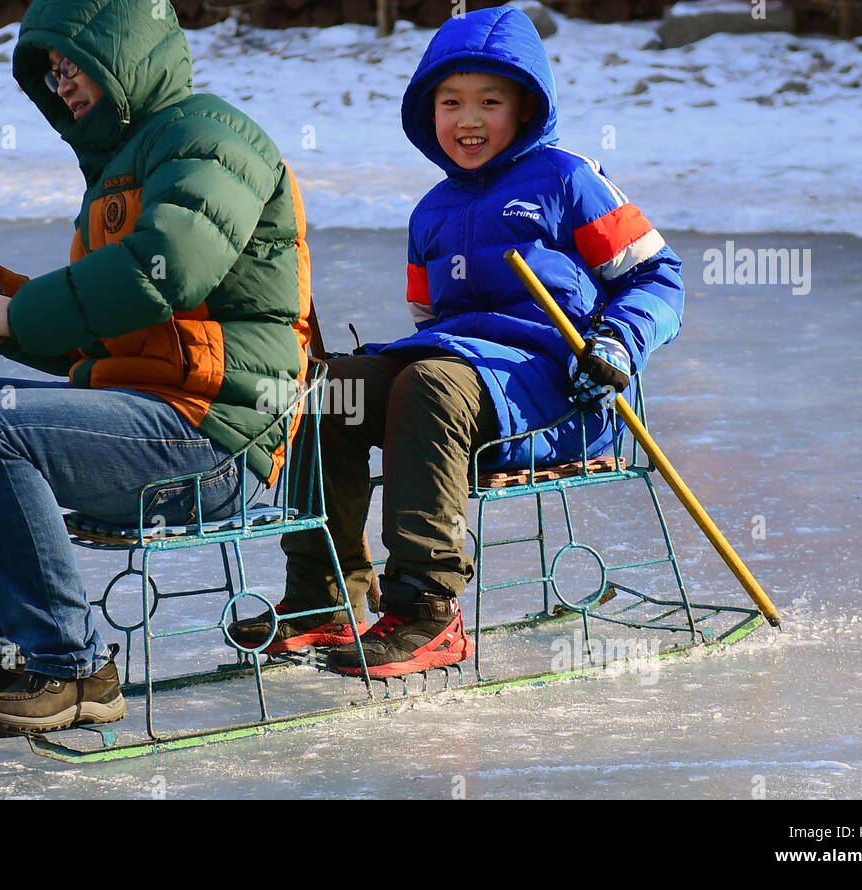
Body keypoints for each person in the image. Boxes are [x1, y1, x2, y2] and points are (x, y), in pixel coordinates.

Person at [0, 0, 312, 732]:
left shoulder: (212, 138)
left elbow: (165, 268)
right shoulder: (121, 169)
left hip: (218, 436)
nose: (62, 86)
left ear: (125, 48)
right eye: (50, 74)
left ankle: (73, 668)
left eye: (72, 64)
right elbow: (100, 332)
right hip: (145, 416)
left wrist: (14, 314)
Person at [229, 5, 684, 678]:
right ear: (429, 111)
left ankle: (425, 611)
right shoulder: (431, 211)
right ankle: (326, 597)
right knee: (333, 391)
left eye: (489, 101)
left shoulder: (567, 180)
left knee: (432, 381)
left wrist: (616, 346)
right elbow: (426, 319)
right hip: (466, 384)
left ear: (526, 108)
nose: (467, 120)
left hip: (561, 390)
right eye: (451, 102)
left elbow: (658, 277)